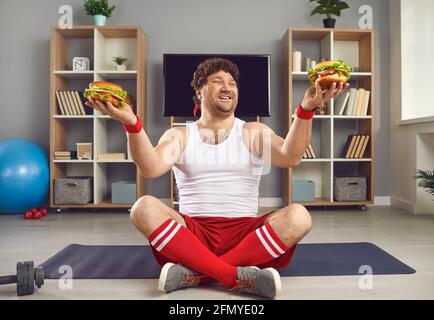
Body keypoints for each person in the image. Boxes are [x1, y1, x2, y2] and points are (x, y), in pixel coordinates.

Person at [85, 58, 348, 298]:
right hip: (191, 235)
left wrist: (307, 108)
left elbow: (291, 157)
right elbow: (150, 169)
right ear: (199, 92)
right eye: (218, 81)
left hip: (246, 236)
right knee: (142, 207)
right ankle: (234, 276)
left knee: (299, 216)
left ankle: (195, 274)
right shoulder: (179, 134)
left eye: (232, 83)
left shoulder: (253, 131)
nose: (227, 87)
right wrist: (132, 124)